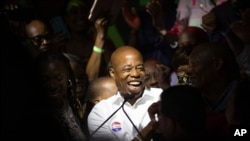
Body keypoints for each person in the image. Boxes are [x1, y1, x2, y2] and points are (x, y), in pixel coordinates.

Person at [87, 46, 163, 141]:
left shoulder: (162, 97)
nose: (135, 74)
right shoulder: (101, 111)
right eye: (127, 69)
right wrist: (149, 129)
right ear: (113, 73)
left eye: (140, 68)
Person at [187, 41, 241, 140]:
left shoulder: (243, 99)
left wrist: (235, 127)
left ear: (217, 64)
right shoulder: (197, 100)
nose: (189, 71)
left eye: (195, 64)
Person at [29, 49, 86, 141]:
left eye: (59, 78)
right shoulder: (33, 116)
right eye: (45, 80)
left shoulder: (73, 104)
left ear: (68, 77)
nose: (52, 85)